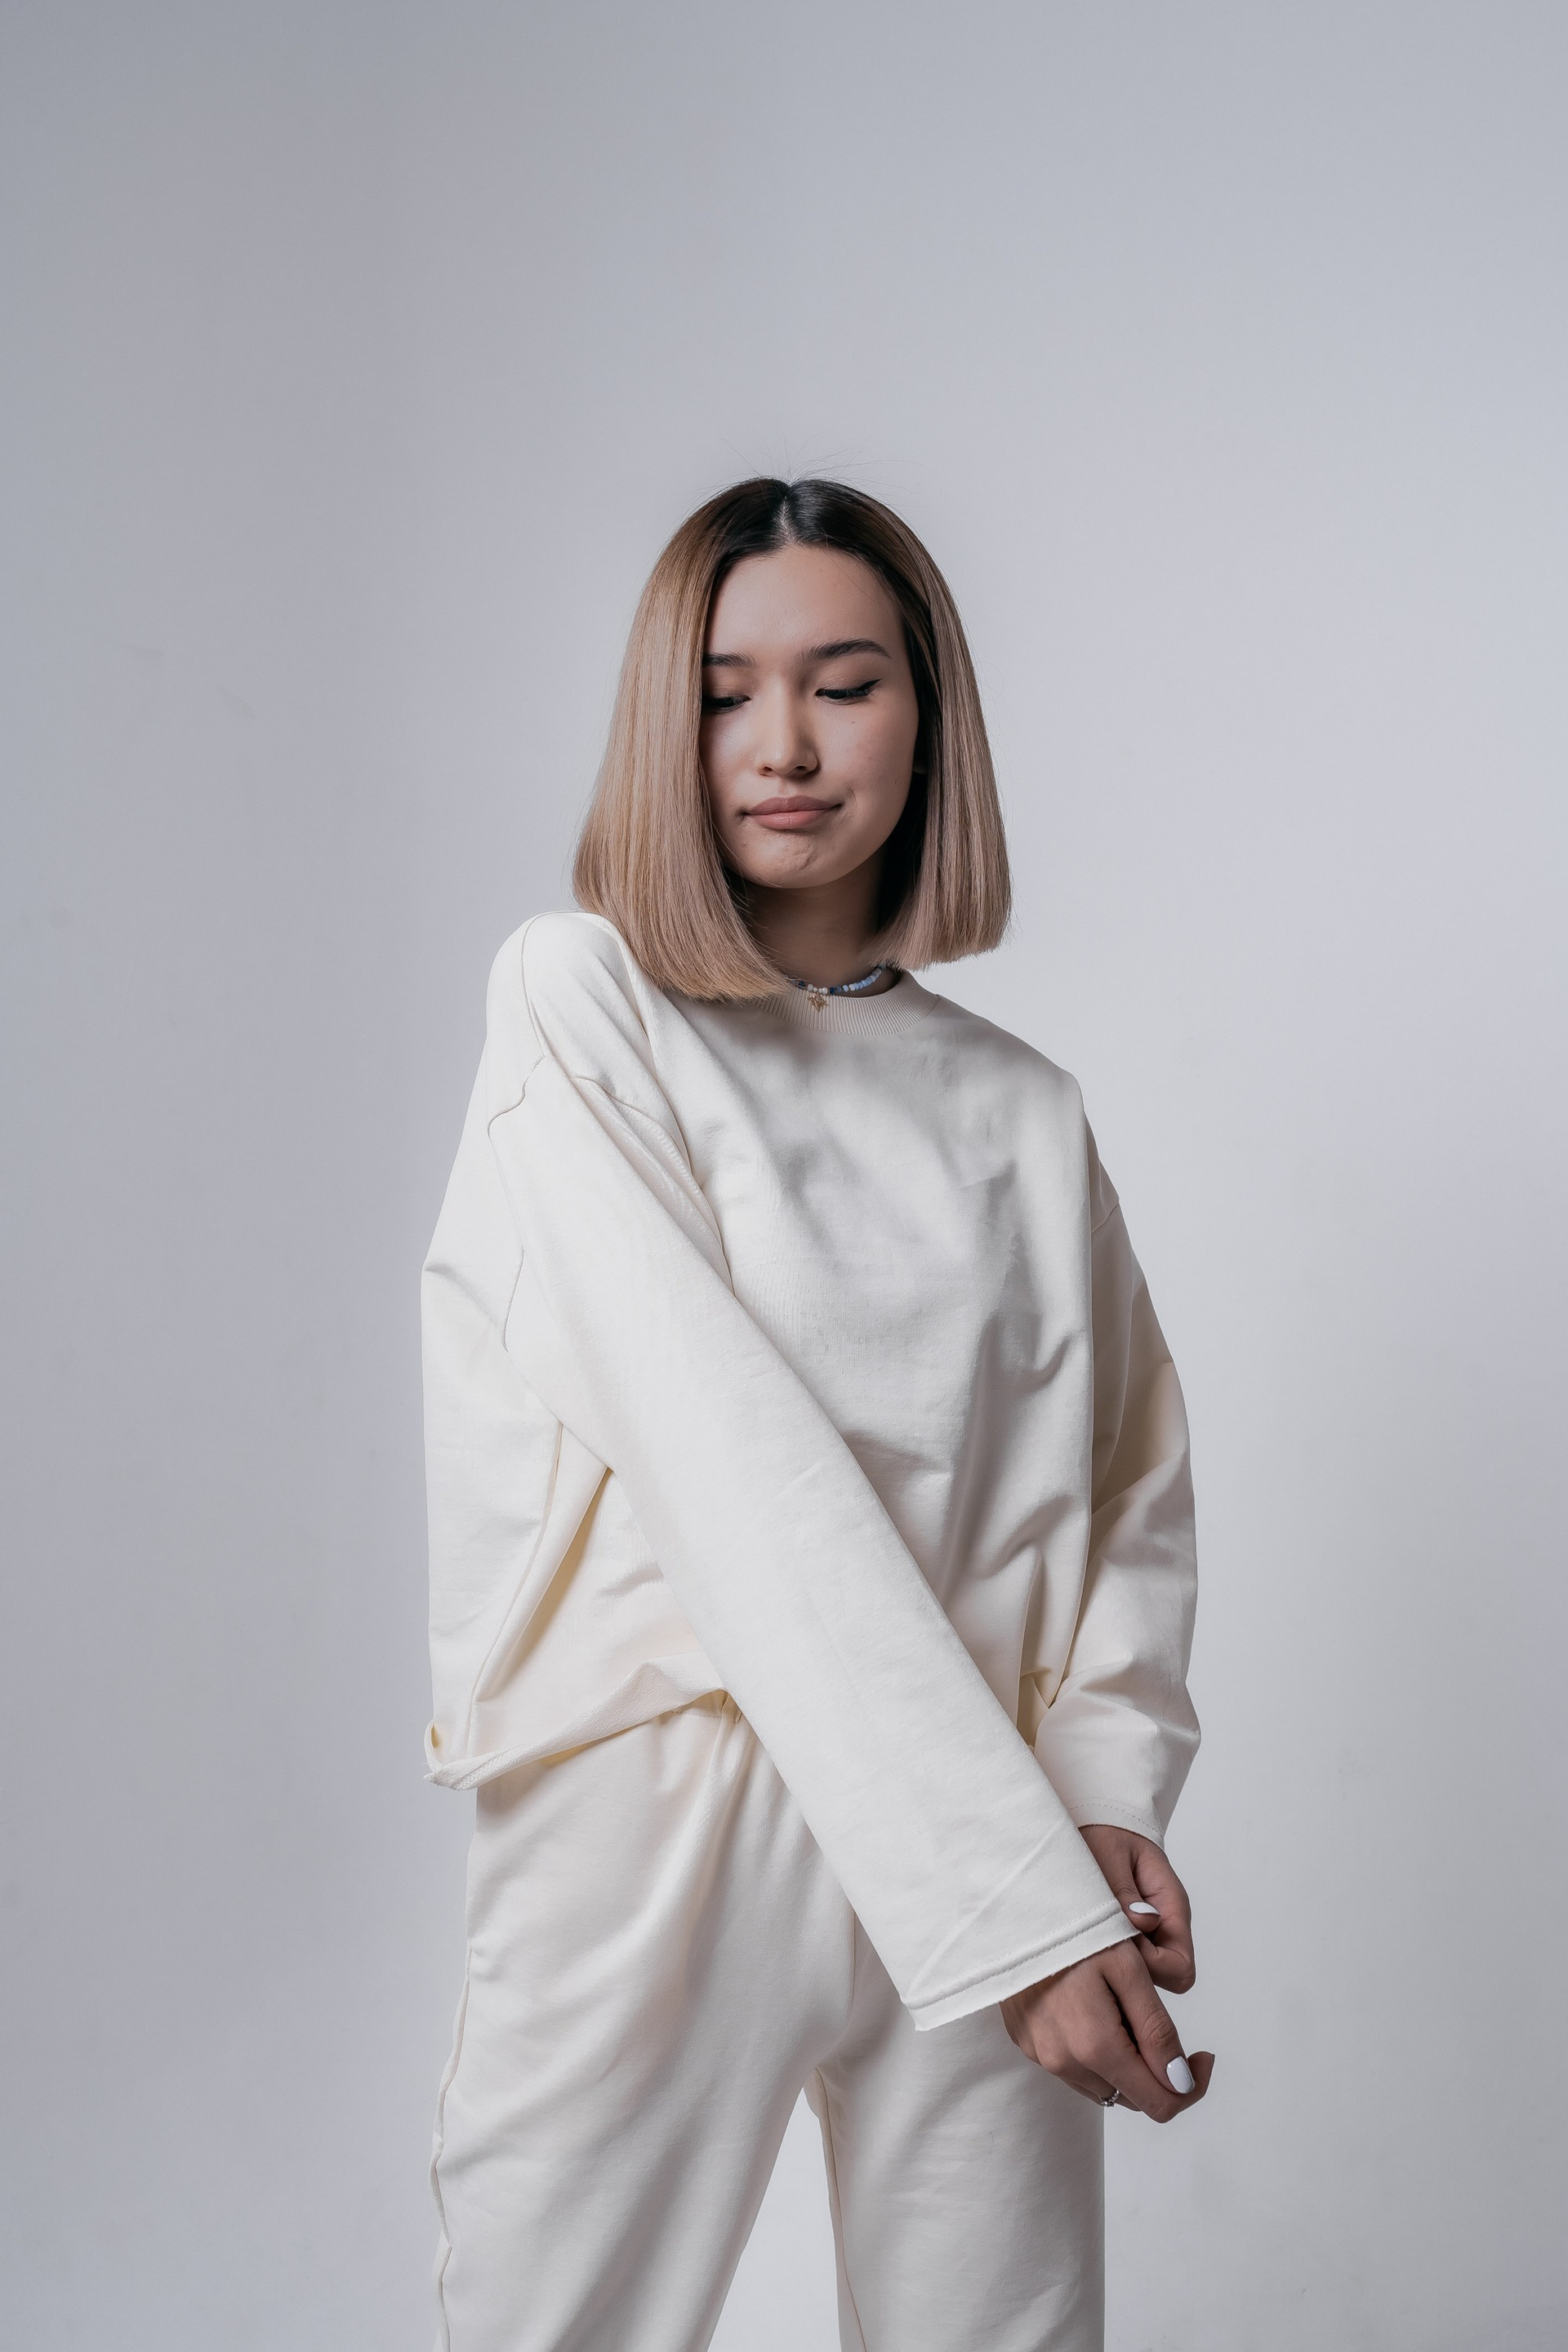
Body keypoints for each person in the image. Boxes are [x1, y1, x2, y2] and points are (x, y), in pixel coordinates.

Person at [420, 476, 1212, 2352]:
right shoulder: (581, 1000)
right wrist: (1015, 1902)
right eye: (722, 694)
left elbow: (1125, 1483)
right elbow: (724, 1461)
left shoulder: (1020, 1104)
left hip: (992, 1799)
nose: (782, 744)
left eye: (845, 685)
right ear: (663, 723)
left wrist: (1099, 1799)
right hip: (671, 1809)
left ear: (927, 719)